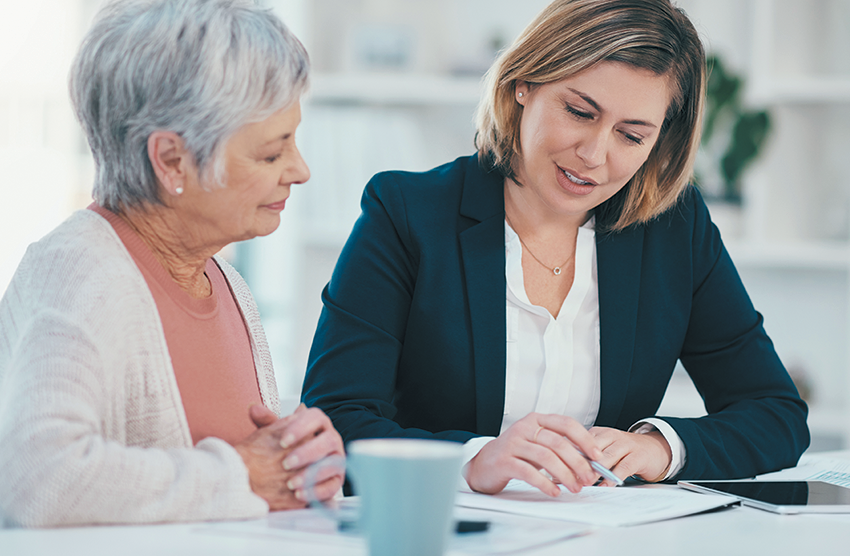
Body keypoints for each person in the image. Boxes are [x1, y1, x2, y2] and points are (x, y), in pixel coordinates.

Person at [301, 0, 809, 497]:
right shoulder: (407, 212)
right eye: (579, 111)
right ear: (524, 83)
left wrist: (662, 448)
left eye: (631, 136)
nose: (594, 155)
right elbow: (334, 422)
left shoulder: (674, 229)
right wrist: (474, 460)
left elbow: (774, 412)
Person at [0, 0, 344, 527]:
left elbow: (235, 486)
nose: (300, 170)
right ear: (171, 160)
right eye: (271, 154)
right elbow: (40, 479)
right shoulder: (76, 271)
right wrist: (244, 475)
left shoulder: (226, 281)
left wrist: (298, 467)